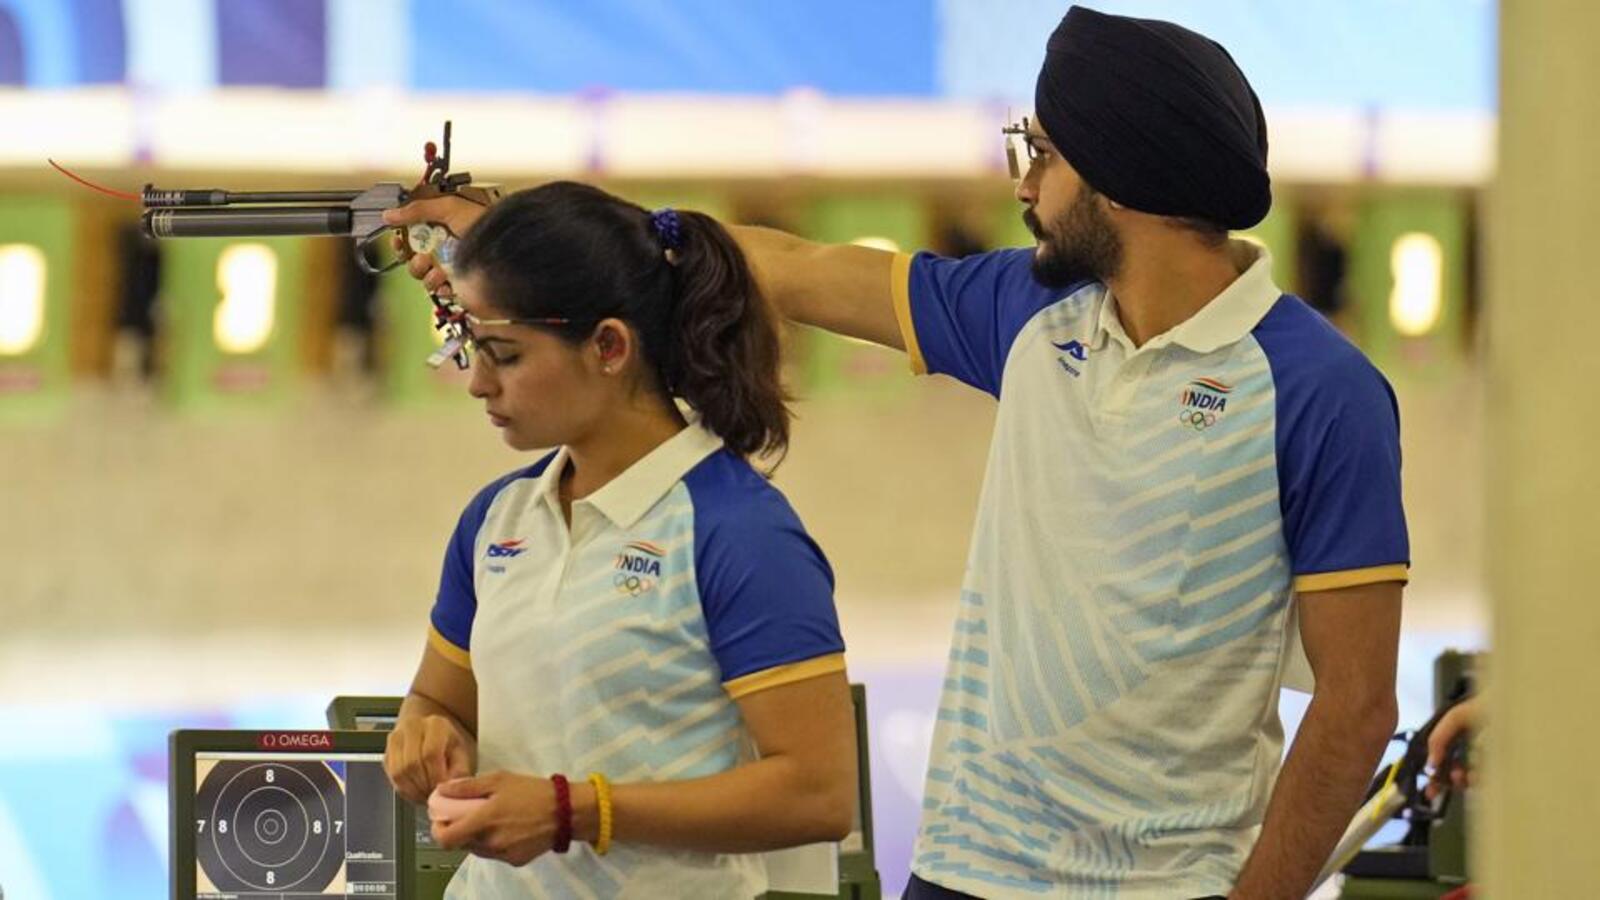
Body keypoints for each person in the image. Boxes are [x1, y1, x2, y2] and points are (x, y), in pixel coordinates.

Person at [388, 8, 1409, 897]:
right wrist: (523, 235)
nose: (1024, 181)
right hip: (964, 867)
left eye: (1042, 152)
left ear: (1119, 175)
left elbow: (1356, 705)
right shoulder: (1031, 310)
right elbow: (795, 269)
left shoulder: (1320, 392)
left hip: (1167, 883)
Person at [382, 181, 859, 898]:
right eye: (468, 350)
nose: (477, 383)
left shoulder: (739, 530)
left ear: (608, 346)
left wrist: (576, 812)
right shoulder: (497, 518)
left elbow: (817, 794)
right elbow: (438, 700)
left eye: (503, 354)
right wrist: (423, 736)